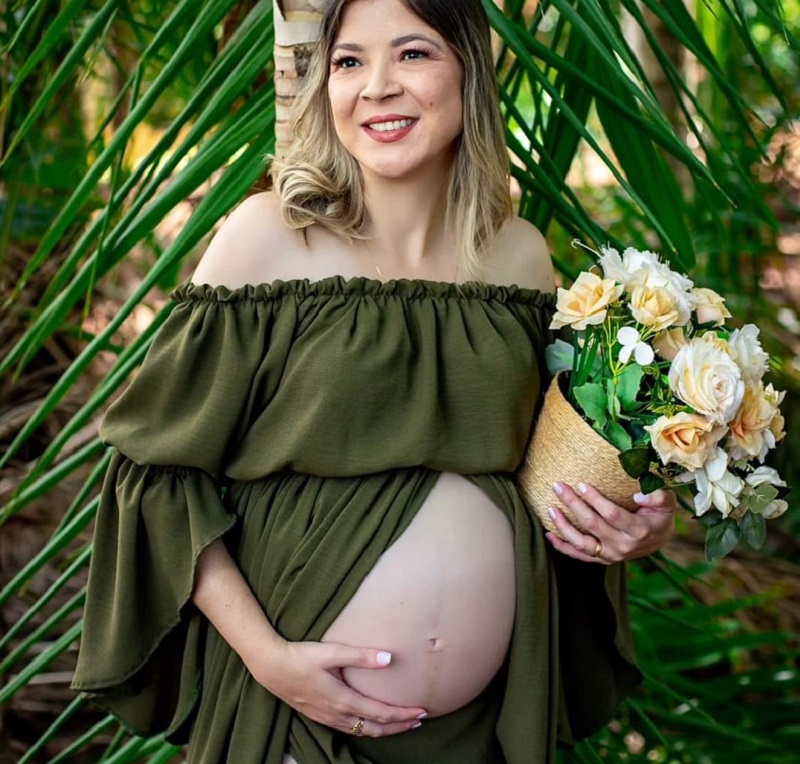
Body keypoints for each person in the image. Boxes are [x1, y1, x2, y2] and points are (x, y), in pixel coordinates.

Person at [71, 0, 677, 762]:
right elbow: (156, 475)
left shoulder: (520, 259)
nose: (377, 86)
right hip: (294, 714)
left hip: (484, 725)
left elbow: (557, 467)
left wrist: (641, 521)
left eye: (413, 54)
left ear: (469, 71)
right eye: (350, 61)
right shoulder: (266, 240)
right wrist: (270, 661)